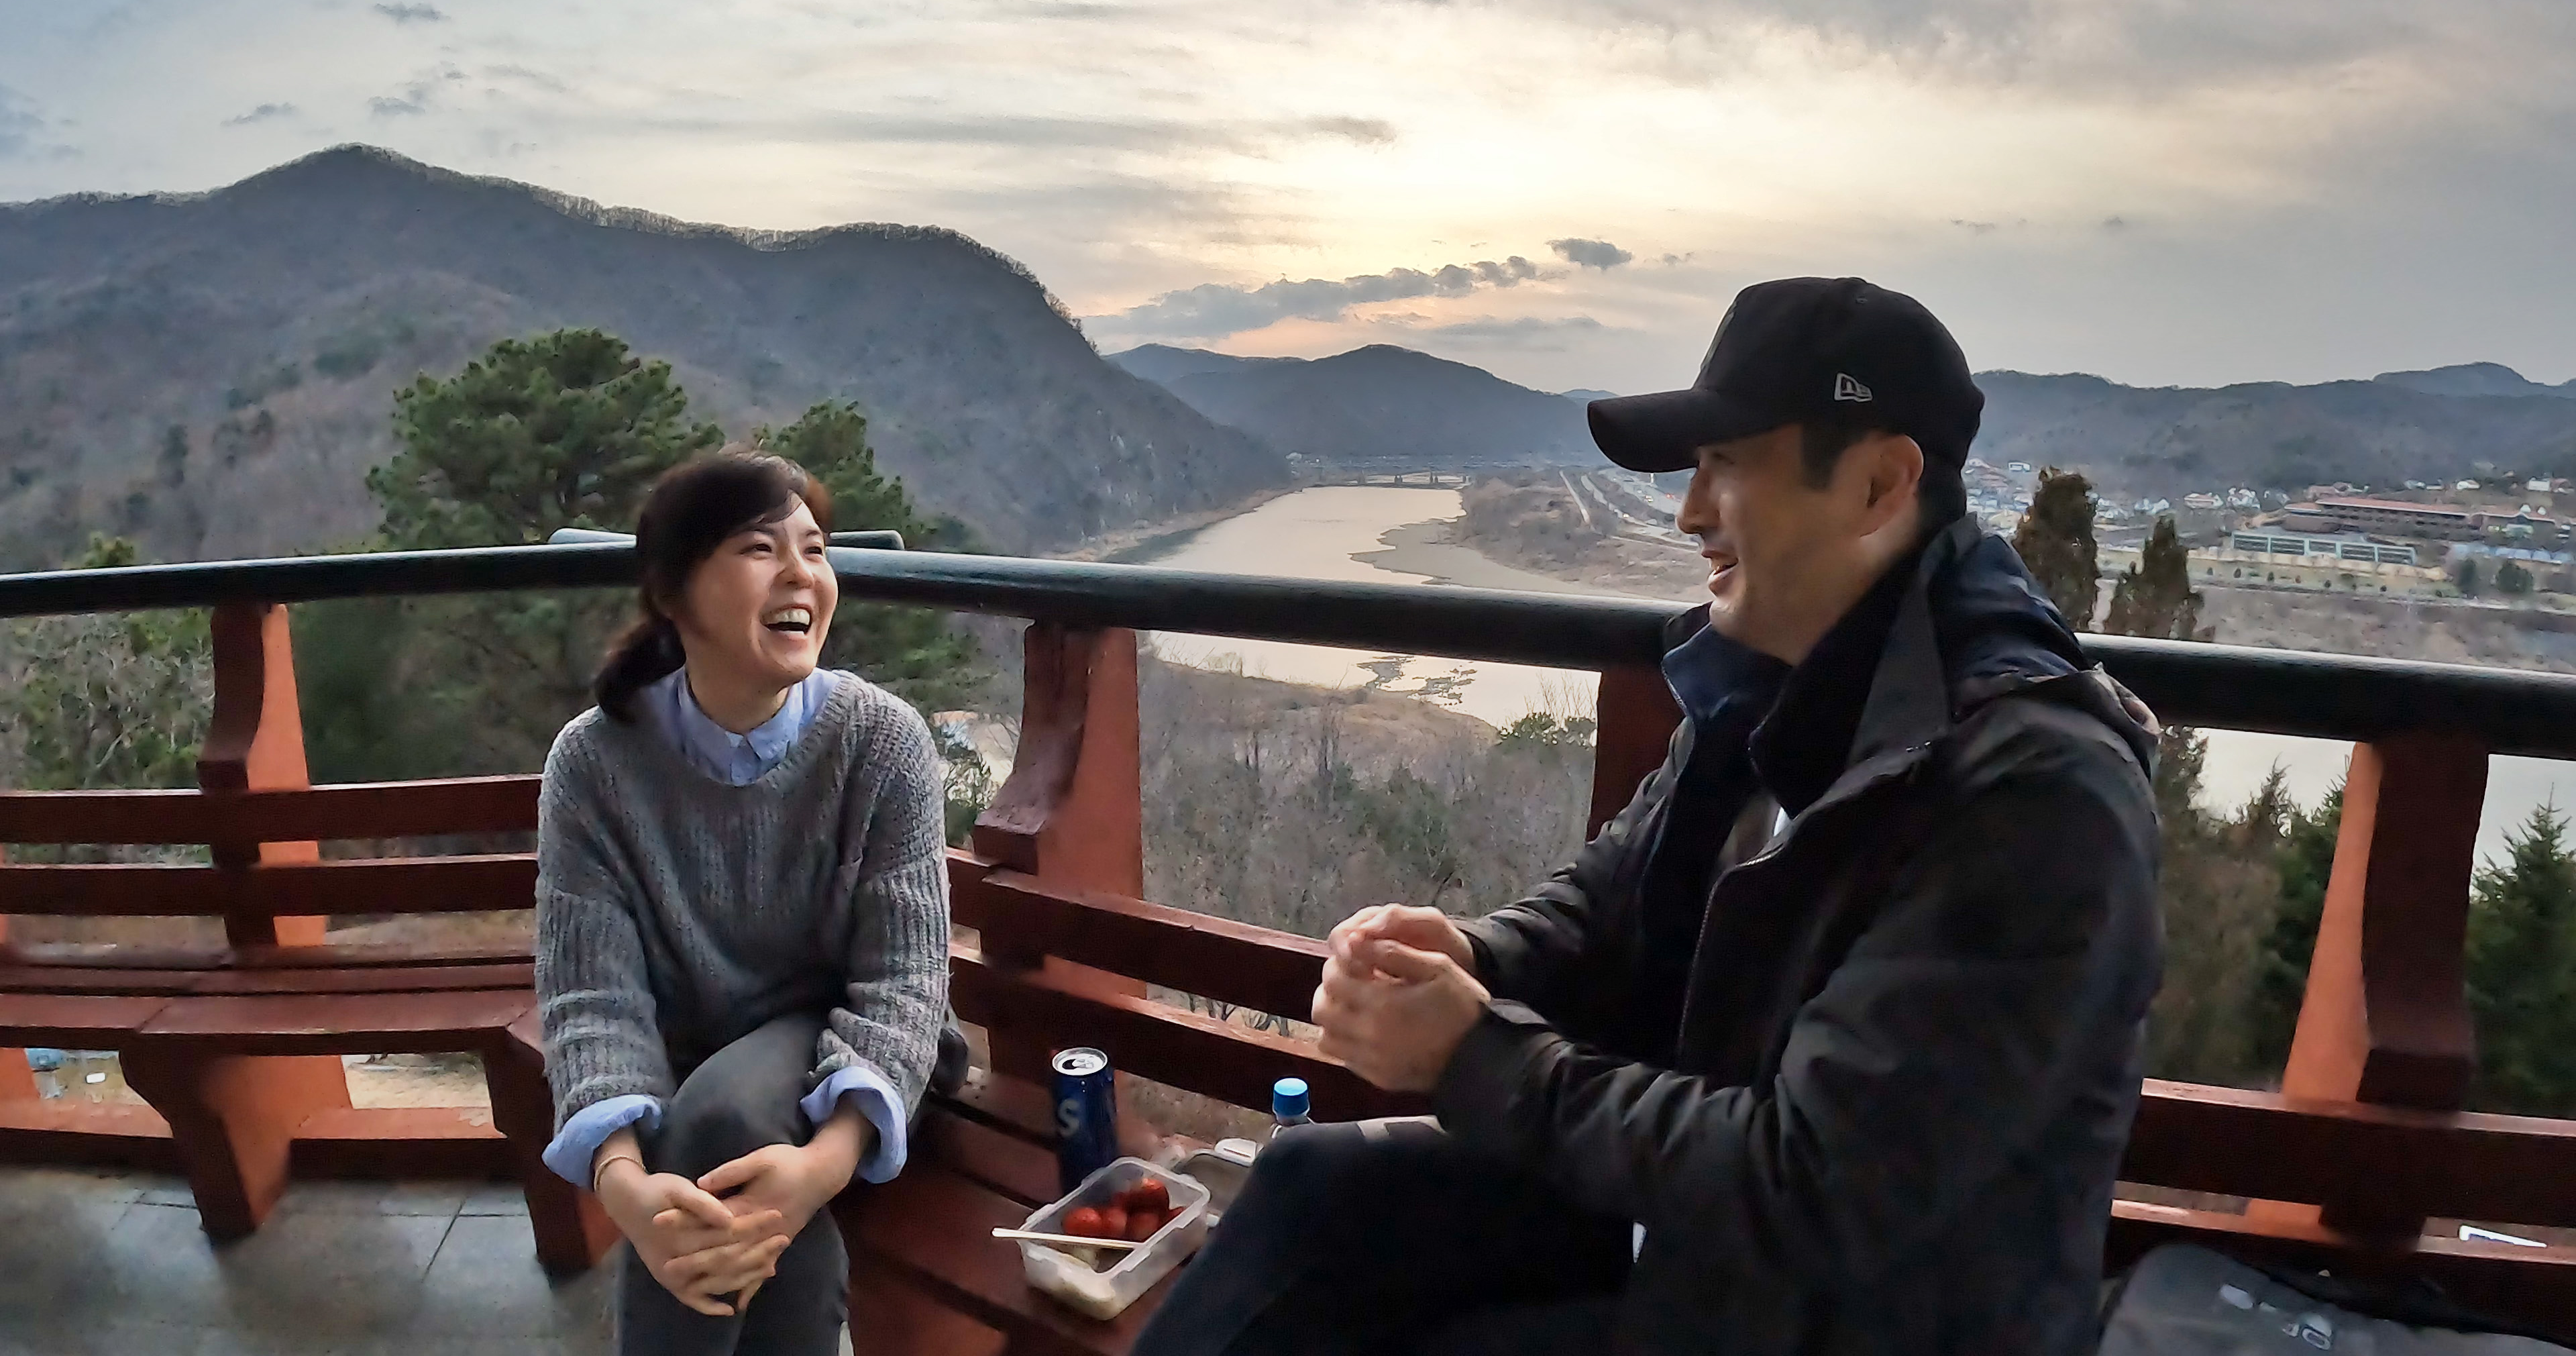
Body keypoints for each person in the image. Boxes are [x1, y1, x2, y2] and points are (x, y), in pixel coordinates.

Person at [1132, 277, 2164, 1355]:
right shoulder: (1777, 676)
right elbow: (1612, 900)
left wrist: (1477, 1056)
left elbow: (1813, 1188)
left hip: (1844, 1310)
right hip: (1683, 1220)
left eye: (1727, 465)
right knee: (1313, 1188)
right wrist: (1478, 956)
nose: (1689, 513)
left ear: (1879, 484)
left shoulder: (2036, 794)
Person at [535, 449, 965, 1356]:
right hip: (696, 1057)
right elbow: (592, 996)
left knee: (721, 1118)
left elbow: (905, 983)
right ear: (672, 592)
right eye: (760, 549)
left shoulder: (880, 743)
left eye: (815, 549)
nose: (802, 574)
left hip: (861, 1052)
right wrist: (625, 1188)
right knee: (715, 1135)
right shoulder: (594, 763)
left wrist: (824, 1165)